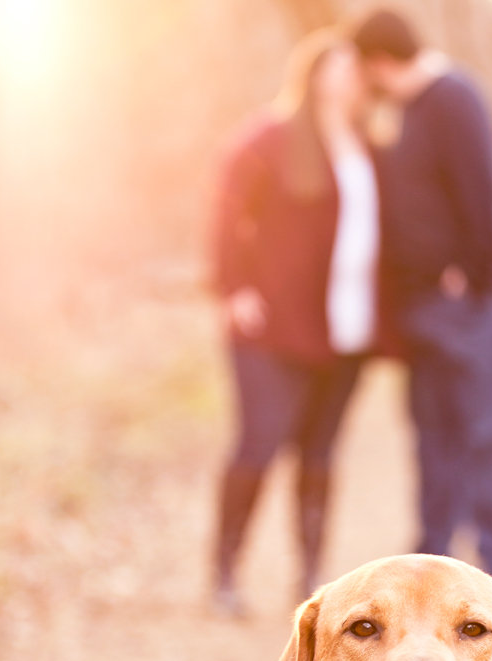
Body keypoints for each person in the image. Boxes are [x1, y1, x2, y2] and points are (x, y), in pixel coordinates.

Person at [351, 9, 492, 588]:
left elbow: (480, 192)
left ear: (379, 62)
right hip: (424, 308)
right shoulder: (406, 110)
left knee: (488, 433)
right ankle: (432, 558)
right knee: (434, 435)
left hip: (476, 302)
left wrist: (469, 275)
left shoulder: (454, 96)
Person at [211, 31, 381, 615]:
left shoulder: (365, 141)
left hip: (347, 329)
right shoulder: (269, 136)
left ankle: (311, 580)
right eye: (337, 65)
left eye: (353, 67)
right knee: (259, 445)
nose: (348, 75)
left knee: (320, 453)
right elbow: (226, 204)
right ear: (312, 73)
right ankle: (225, 572)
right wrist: (233, 285)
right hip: (275, 328)